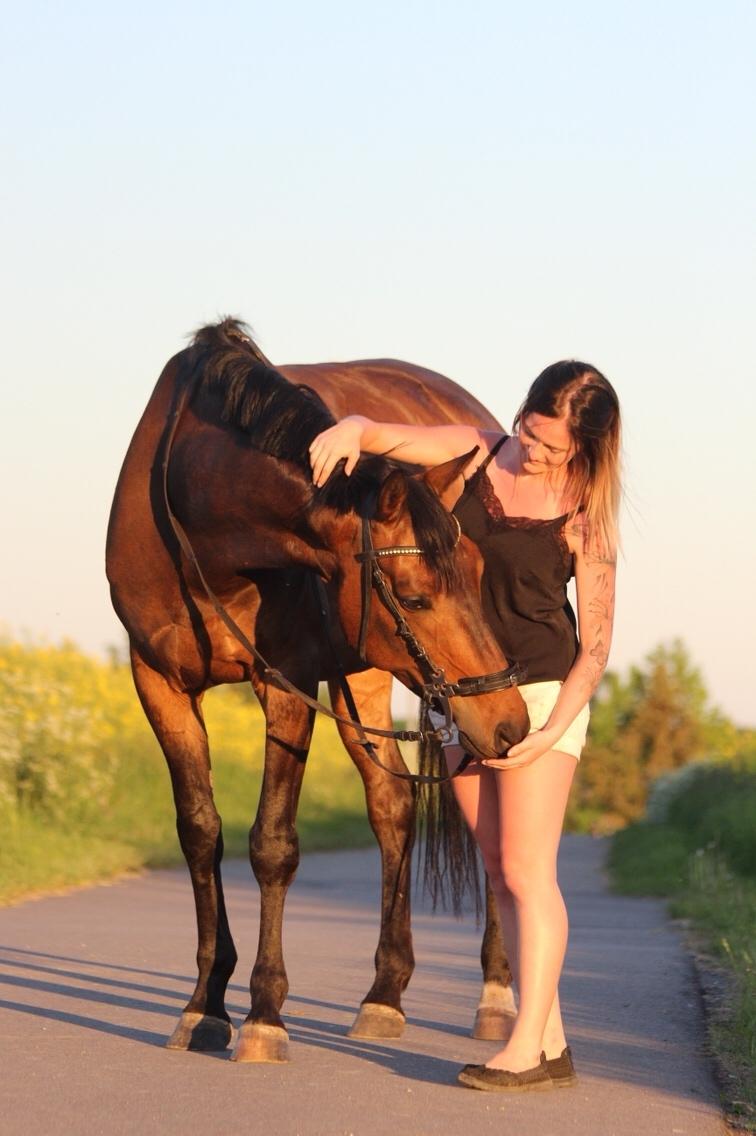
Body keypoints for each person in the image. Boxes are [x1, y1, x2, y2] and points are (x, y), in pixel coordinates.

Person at [309, 361, 621, 1093]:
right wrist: (353, 426)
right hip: (467, 693)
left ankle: (523, 1049)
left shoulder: (584, 509)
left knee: (525, 870)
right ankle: (551, 1038)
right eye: (529, 431)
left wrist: (555, 731)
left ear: (585, 448)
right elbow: (390, 435)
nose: (532, 451)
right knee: (496, 869)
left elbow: (598, 645)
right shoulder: (479, 451)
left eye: (550, 446)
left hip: (540, 696)